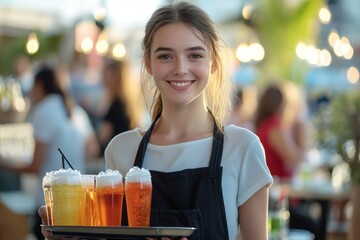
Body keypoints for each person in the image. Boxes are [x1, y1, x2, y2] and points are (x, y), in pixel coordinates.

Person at [39, 2, 273, 240]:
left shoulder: (242, 148)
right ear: (149, 63)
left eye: (194, 55)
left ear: (212, 62)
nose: (181, 68)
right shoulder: (121, 150)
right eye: (165, 56)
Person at [0, 65, 89, 240]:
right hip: (78, 203)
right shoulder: (74, 110)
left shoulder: (44, 110)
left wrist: (3, 163)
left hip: (50, 205)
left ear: (39, 86)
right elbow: (90, 149)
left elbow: (35, 166)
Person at [254, 83, 319, 239]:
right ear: (280, 104)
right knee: (311, 224)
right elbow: (295, 158)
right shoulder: (274, 125)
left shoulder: (264, 124)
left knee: (309, 213)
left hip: (275, 192)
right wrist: (303, 134)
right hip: (276, 197)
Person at [97, 59, 142, 155]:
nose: (103, 79)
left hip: (116, 156)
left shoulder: (115, 105)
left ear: (114, 78)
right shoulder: (127, 103)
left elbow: (103, 138)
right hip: (127, 154)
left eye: (106, 75)